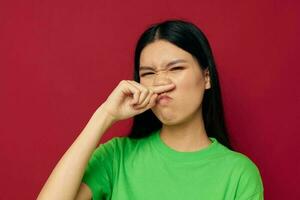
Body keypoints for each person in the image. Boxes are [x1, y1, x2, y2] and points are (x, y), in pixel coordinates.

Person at [37, 19, 264, 200]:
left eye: (175, 68)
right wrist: (104, 115)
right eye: (148, 73)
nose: (160, 83)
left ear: (206, 77)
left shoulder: (239, 173)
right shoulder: (117, 156)